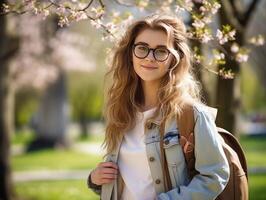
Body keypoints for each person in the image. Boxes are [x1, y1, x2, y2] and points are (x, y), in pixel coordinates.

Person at [87, 14, 230, 200]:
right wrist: (95, 179)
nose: (149, 57)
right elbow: (132, 180)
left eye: (161, 51)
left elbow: (214, 176)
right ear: (130, 54)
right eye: (142, 48)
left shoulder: (192, 114)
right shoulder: (120, 110)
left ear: (174, 59)